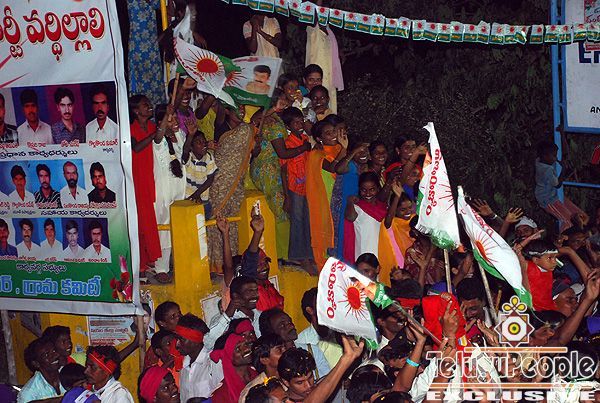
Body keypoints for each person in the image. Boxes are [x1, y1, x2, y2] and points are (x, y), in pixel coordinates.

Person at [207, 106, 254, 271]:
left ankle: (232, 263)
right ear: (226, 111)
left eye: (242, 108)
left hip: (236, 183)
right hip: (220, 182)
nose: (241, 112)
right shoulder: (221, 125)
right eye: (236, 108)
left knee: (232, 223)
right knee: (218, 221)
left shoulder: (246, 131)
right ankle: (218, 265)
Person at [305, 120, 348, 268]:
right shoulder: (316, 154)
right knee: (327, 233)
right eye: (328, 133)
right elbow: (332, 168)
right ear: (319, 138)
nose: (333, 135)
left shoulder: (340, 149)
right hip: (325, 200)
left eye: (334, 131)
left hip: (341, 198)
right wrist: (344, 150)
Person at [129, 95, 163, 277]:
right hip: (137, 180)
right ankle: (140, 266)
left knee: (149, 222)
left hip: (151, 178)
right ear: (136, 111)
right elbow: (136, 148)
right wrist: (153, 135)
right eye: (145, 105)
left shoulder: (152, 126)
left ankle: (148, 260)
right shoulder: (130, 129)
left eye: (149, 104)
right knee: (140, 224)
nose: (150, 106)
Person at [153, 104, 187, 281]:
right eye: (170, 118)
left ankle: (179, 264)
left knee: (179, 227)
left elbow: (185, 156)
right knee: (164, 229)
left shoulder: (179, 135)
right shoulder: (157, 140)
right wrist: (166, 118)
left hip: (179, 190)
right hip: (164, 192)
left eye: (174, 118)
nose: (175, 121)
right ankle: (161, 268)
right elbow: (159, 138)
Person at [277, 336, 363, 403]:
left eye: (310, 377)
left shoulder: (326, 385)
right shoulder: (280, 400)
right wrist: (345, 361)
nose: (308, 386)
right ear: (286, 382)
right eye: (300, 382)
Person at [280, 107, 314, 272]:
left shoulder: (306, 139)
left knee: (308, 220)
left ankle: (309, 254)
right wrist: (287, 196)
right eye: (296, 123)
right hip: (294, 188)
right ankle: (299, 256)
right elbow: (283, 171)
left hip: (307, 187)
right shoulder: (288, 143)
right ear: (288, 126)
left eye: (301, 121)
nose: (300, 125)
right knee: (298, 221)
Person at [535, 140, 588, 233]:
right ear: (545, 156)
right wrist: (563, 169)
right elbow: (558, 184)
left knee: (582, 216)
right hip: (548, 199)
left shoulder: (542, 160)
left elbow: (565, 154)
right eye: (554, 156)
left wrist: (562, 135)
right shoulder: (546, 170)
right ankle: (564, 239)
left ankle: (584, 237)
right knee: (568, 222)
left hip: (555, 195)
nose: (556, 158)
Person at [175, 313, 223, 402]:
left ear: (195, 340)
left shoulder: (213, 362)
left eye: (181, 339)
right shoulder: (184, 368)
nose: (177, 344)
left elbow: (223, 395)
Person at [205, 276, 262, 350]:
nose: (255, 295)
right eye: (249, 292)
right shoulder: (225, 321)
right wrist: (227, 314)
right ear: (236, 296)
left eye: (256, 290)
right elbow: (208, 344)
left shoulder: (261, 315)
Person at [210, 319, 258, 402]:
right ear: (228, 358)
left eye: (245, 344)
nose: (247, 349)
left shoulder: (257, 375)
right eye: (238, 349)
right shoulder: (221, 394)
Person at [127, 0, 165, 105]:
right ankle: (139, 109)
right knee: (139, 80)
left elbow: (166, 8)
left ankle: (155, 109)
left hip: (151, 45)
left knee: (154, 80)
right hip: (137, 45)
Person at [344, 172, 388, 263]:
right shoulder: (357, 208)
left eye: (372, 189)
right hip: (363, 254)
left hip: (382, 253)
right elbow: (350, 217)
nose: (368, 193)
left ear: (378, 189)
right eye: (364, 190)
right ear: (359, 189)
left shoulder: (383, 208)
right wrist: (350, 202)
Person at [239, 334, 288, 402]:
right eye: (279, 350)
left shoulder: (289, 376)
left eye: (285, 347)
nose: (286, 352)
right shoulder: (253, 391)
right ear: (264, 360)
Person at [18, 337, 65, 402]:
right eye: (46, 354)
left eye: (54, 351)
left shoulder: (70, 373)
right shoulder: (28, 394)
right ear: (36, 363)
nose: (55, 355)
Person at [183, 130, 217, 211]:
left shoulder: (209, 157)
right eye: (199, 142)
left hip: (203, 199)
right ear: (191, 147)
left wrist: (196, 194)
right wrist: (191, 135)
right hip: (188, 198)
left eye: (204, 142)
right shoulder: (189, 157)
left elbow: (210, 179)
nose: (203, 144)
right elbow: (185, 151)